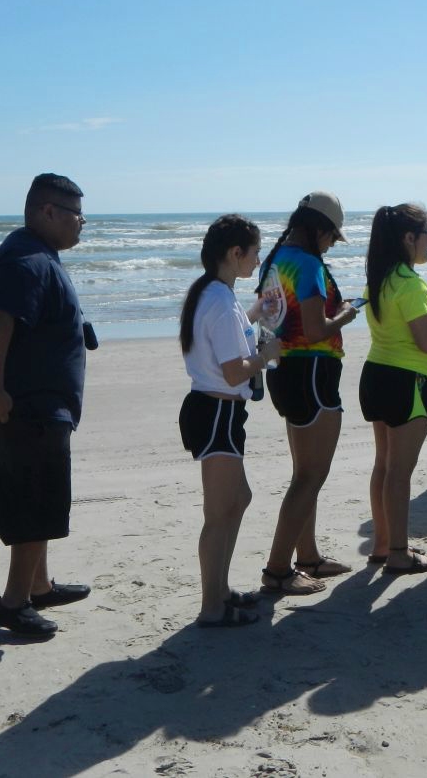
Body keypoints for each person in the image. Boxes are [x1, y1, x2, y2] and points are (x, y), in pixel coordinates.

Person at [0, 173, 93, 637]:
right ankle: (15, 603)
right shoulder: (26, 260)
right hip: (24, 410)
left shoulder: (37, 256)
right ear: (48, 212)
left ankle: (39, 586)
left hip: (39, 407)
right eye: (77, 214)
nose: (83, 223)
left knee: (43, 500)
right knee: (32, 504)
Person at [178, 215, 281, 627]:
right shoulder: (219, 300)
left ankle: (219, 591)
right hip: (217, 411)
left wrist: (258, 311)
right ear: (234, 253)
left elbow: (232, 332)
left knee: (238, 500)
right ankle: (211, 607)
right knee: (219, 513)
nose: (257, 261)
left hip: (220, 411)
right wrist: (269, 355)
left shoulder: (215, 292)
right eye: (254, 253)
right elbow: (236, 370)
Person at [256, 192, 359, 594]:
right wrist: (346, 315)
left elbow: (269, 321)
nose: (332, 244)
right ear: (319, 230)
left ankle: (309, 556)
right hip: (314, 373)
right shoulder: (309, 264)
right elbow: (316, 330)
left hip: (283, 372)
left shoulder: (274, 260)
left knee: (304, 474)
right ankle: (278, 569)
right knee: (311, 476)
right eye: (332, 236)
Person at [360, 204, 427, 574]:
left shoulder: (381, 278)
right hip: (408, 382)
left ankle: (384, 545)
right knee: (400, 472)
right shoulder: (411, 282)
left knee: (384, 465)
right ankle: (398, 552)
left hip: (377, 375)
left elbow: (408, 327)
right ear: (409, 238)